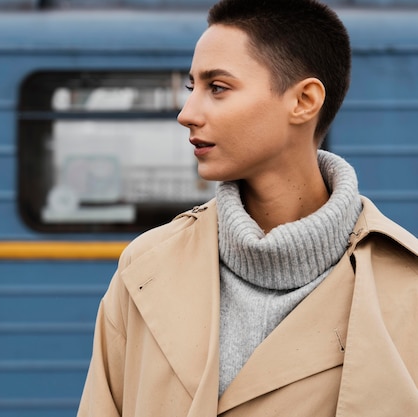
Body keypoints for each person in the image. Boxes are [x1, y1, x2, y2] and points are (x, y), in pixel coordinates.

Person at [77, 0, 418, 416]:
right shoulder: (144, 270)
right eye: (192, 88)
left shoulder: (407, 289)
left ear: (304, 101)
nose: (187, 114)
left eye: (217, 88)